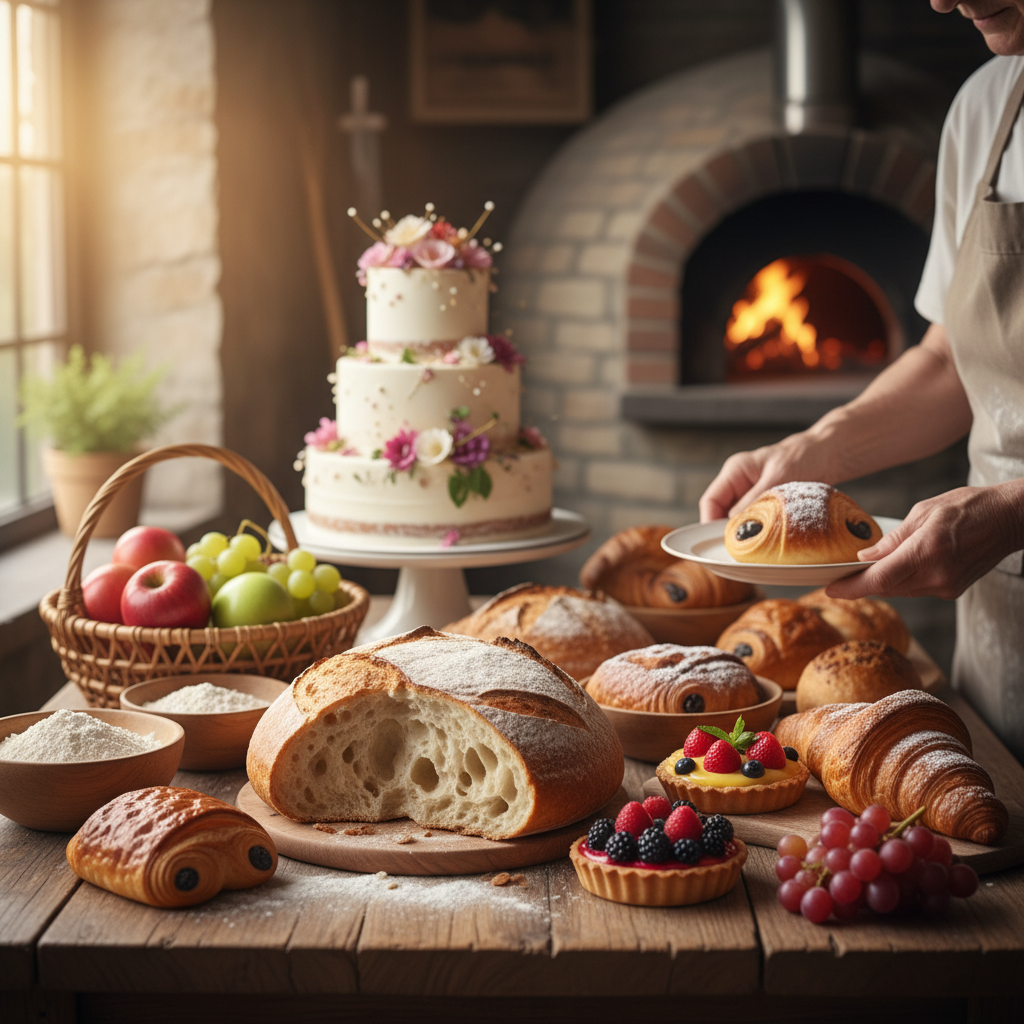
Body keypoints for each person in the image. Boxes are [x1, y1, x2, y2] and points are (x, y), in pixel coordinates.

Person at [699, 1, 1024, 762]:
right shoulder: (988, 105)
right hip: (1003, 619)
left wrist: (1015, 510)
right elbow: (950, 361)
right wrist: (815, 450)